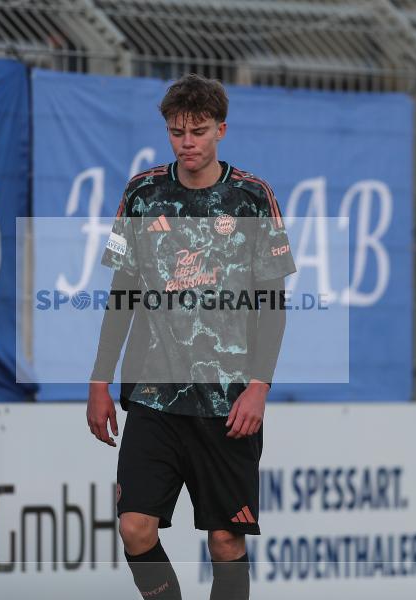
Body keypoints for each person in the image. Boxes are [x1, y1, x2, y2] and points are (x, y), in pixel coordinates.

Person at [86, 73, 296, 600]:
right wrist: (98, 380)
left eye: (198, 131)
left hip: (227, 404)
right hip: (154, 395)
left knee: (225, 541)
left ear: (220, 129)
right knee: (135, 527)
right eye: (177, 132)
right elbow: (122, 293)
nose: (188, 142)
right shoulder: (142, 192)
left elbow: (272, 306)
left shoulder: (252, 197)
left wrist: (259, 386)